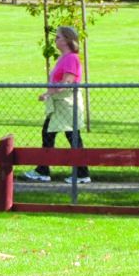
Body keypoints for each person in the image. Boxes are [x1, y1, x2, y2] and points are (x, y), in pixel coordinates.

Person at [24, 25, 90, 184]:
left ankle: (80, 174)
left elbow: (66, 82)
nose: (55, 40)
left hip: (66, 104)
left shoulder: (71, 58)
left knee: (71, 136)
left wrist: (48, 94)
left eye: (58, 37)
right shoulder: (64, 57)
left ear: (67, 40)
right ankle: (44, 170)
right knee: (49, 134)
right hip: (59, 104)